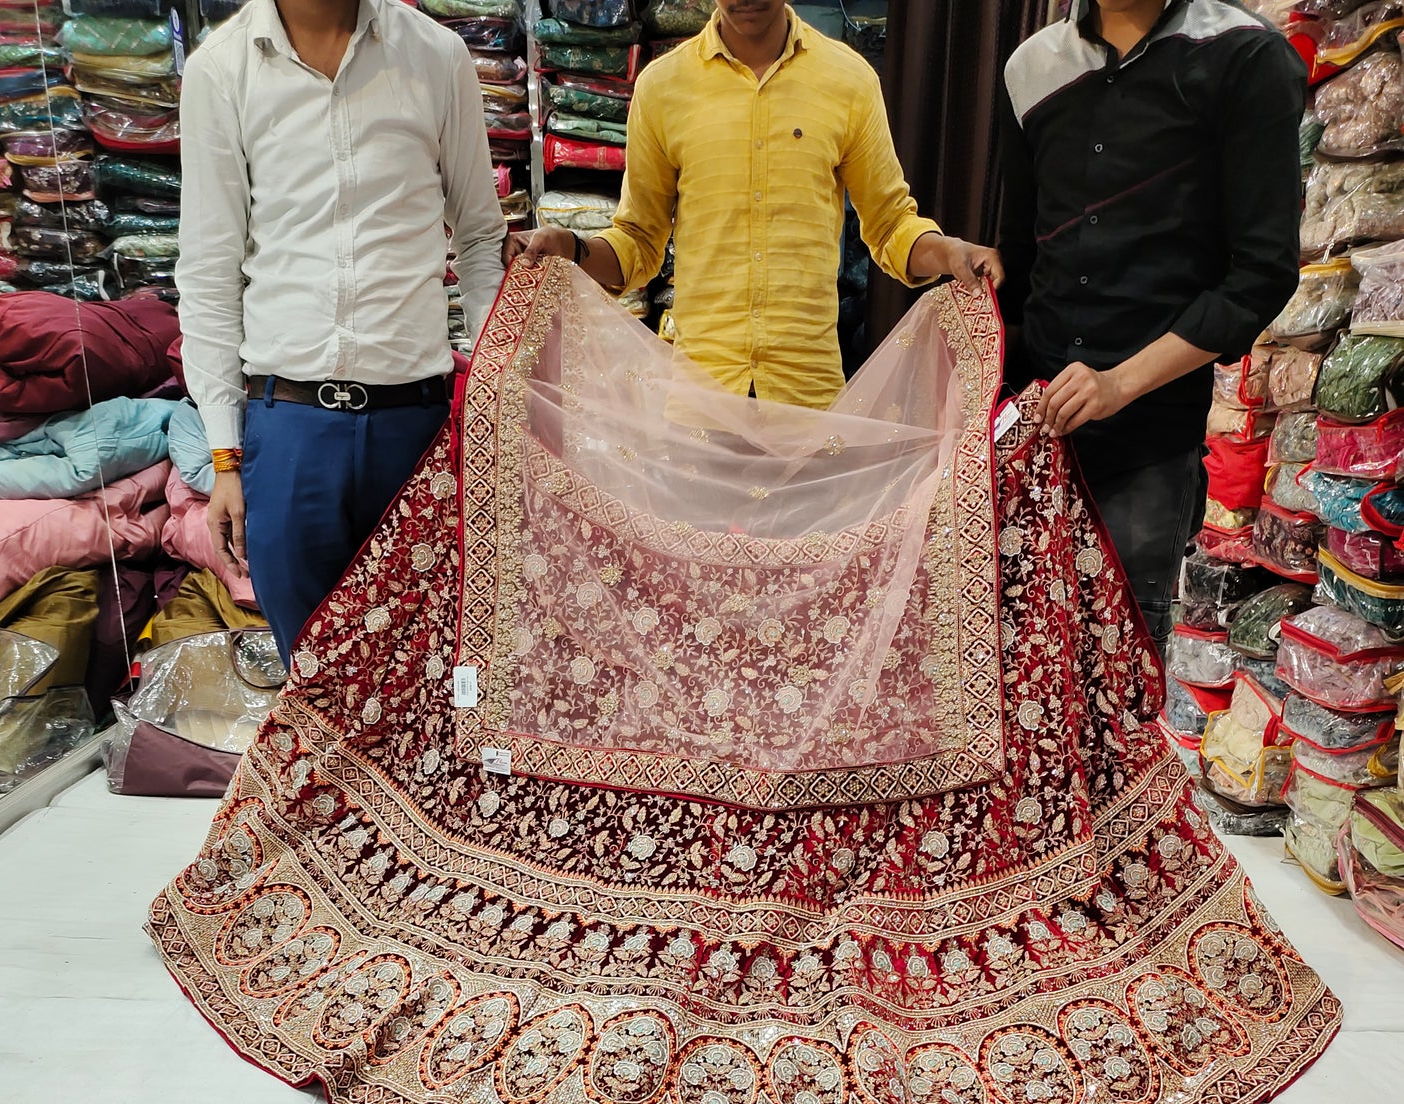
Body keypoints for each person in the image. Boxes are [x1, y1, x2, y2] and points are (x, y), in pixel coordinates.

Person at [176, 0, 506, 664]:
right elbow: (209, 270)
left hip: (412, 428)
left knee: (421, 670)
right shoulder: (220, 68)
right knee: (310, 674)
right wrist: (224, 458)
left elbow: (478, 236)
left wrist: (494, 385)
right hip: (289, 429)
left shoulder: (436, 56)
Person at [510, 0, 1002, 409]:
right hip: (702, 405)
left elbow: (892, 225)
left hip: (806, 402)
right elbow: (638, 242)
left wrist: (949, 251)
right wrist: (572, 247)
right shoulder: (663, 89)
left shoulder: (848, 81)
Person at [998, 0, 1307, 642]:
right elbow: (1025, 256)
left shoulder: (1242, 54)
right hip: (1033, 431)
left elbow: (1261, 273)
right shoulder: (1031, 67)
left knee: (1127, 663)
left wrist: (1119, 384)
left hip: (1147, 443)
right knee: (1019, 664)